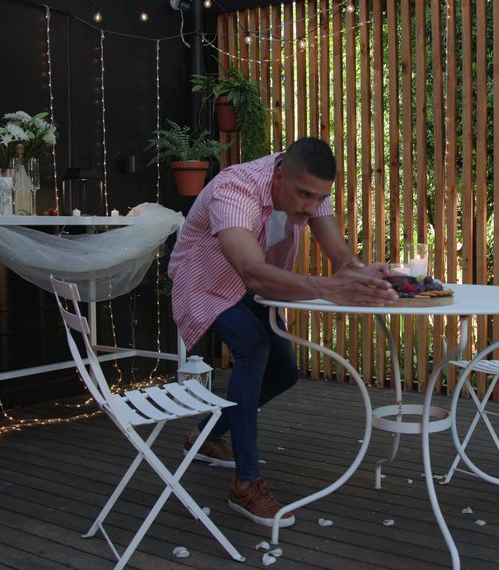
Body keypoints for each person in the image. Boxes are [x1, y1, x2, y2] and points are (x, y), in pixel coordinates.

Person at [168, 137, 397, 528]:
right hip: (204, 284)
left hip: (254, 289)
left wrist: (360, 272)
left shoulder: (307, 188)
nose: (310, 207)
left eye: (318, 198)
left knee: (285, 372)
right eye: (304, 195)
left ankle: (204, 436)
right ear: (277, 176)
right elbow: (253, 272)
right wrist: (327, 288)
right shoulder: (234, 189)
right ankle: (246, 484)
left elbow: (339, 254)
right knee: (253, 348)